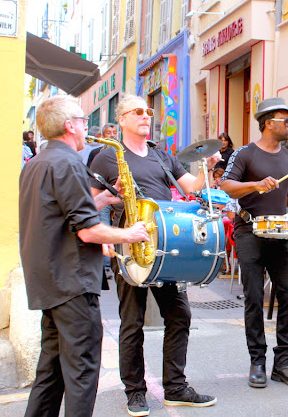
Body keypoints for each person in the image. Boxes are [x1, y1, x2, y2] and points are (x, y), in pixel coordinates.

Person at [19, 95, 149, 417]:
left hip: (49, 281)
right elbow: (87, 232)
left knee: (50, 371)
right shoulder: (69, 164)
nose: (86, 127)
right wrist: (129, 235)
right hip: (73, 282)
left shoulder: (38, 162)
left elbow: (62, 216)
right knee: (81, 373)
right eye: (82, 120)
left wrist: (104, 199)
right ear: (69, 125)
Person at [90, 94, 220, 416]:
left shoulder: (162, 156)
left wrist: (208, 166)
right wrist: (110, 196)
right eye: (137, 112)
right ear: (121, 120)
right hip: (130, 244)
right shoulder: (106, 157)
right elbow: (87, 206)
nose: (146, 116)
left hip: (166, 246)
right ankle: (135, 391)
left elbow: (191, 187)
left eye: (148, 111)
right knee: (132, 322)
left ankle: (175, 387)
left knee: (180, 316)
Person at [221, 97, 288, 390]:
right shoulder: (244, 154)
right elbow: (226, 186)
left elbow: (286, 195)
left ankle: (284, 363)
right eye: (284, 119)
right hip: (249, 230)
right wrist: (255, 184)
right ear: (267, 123)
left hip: (280, 231)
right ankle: (257, 361)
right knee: (253, 298)